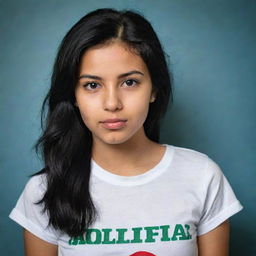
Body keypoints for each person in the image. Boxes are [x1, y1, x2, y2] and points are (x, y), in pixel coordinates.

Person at [9, 8, 243, 256]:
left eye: (129, 82)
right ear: (74, 96)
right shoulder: (44, 189)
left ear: (154, 89)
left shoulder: (202, 175)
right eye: (92, 85)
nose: (112, 103)